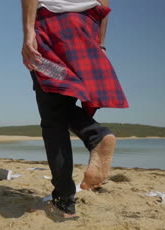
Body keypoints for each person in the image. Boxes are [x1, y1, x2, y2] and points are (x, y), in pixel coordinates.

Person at [21, 0, 128, 217]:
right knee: (61, 104)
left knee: (52, 117)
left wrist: (28, 32)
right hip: (85, 26)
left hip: (52, 27)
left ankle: (65, 199)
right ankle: (95, 135)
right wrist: (100, 43)